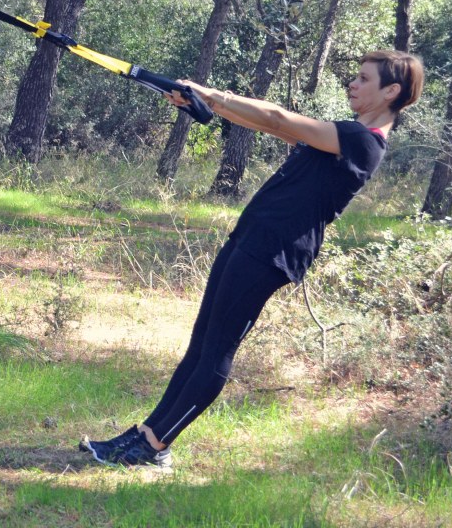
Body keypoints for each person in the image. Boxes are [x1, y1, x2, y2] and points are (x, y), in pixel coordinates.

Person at [82, 50, 425, 469]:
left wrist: (212, 94)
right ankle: (147, 434)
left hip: (273, 253)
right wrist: (205, 104)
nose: (353, 84)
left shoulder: (363, 141)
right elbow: (268, 125)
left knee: (217, 351)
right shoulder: (344, 133)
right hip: (252, 238)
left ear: (391, 91)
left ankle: (155, 447)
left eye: (364, 79)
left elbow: (279, 118)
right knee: (201, 343)